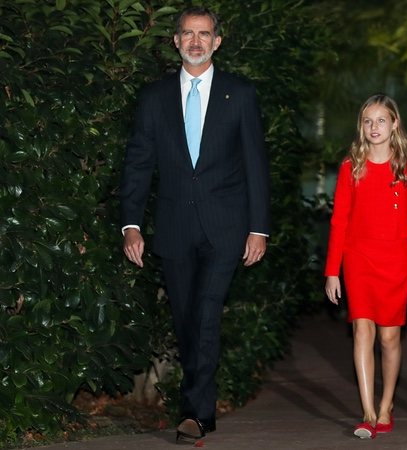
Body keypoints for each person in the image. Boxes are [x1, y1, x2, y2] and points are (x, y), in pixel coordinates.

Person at [119, 6, 270, 443]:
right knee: (187, 320)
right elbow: (138, 164)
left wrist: (258, 228)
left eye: (204, 34)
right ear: (176, 41)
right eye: (188, 33)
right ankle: (200, 403)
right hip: (174, 227)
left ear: (217, 41)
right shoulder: (154, 97)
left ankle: (196, 414)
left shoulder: (239, 94)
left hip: (227, 227)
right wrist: (130, 224)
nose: (196, 41)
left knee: (205, 315)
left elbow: (257, 165)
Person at [324, 94, 407, 439]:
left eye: (381, 120)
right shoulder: (350, 166)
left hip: (397, 262)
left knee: (389, 337)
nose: (374, 127)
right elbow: (339, 221)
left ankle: (386, 405)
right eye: (368, 121)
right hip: (358, 260)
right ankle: (367, 411)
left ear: (395, 124)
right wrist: (331, 271)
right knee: (362, 331)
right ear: (361, 127)